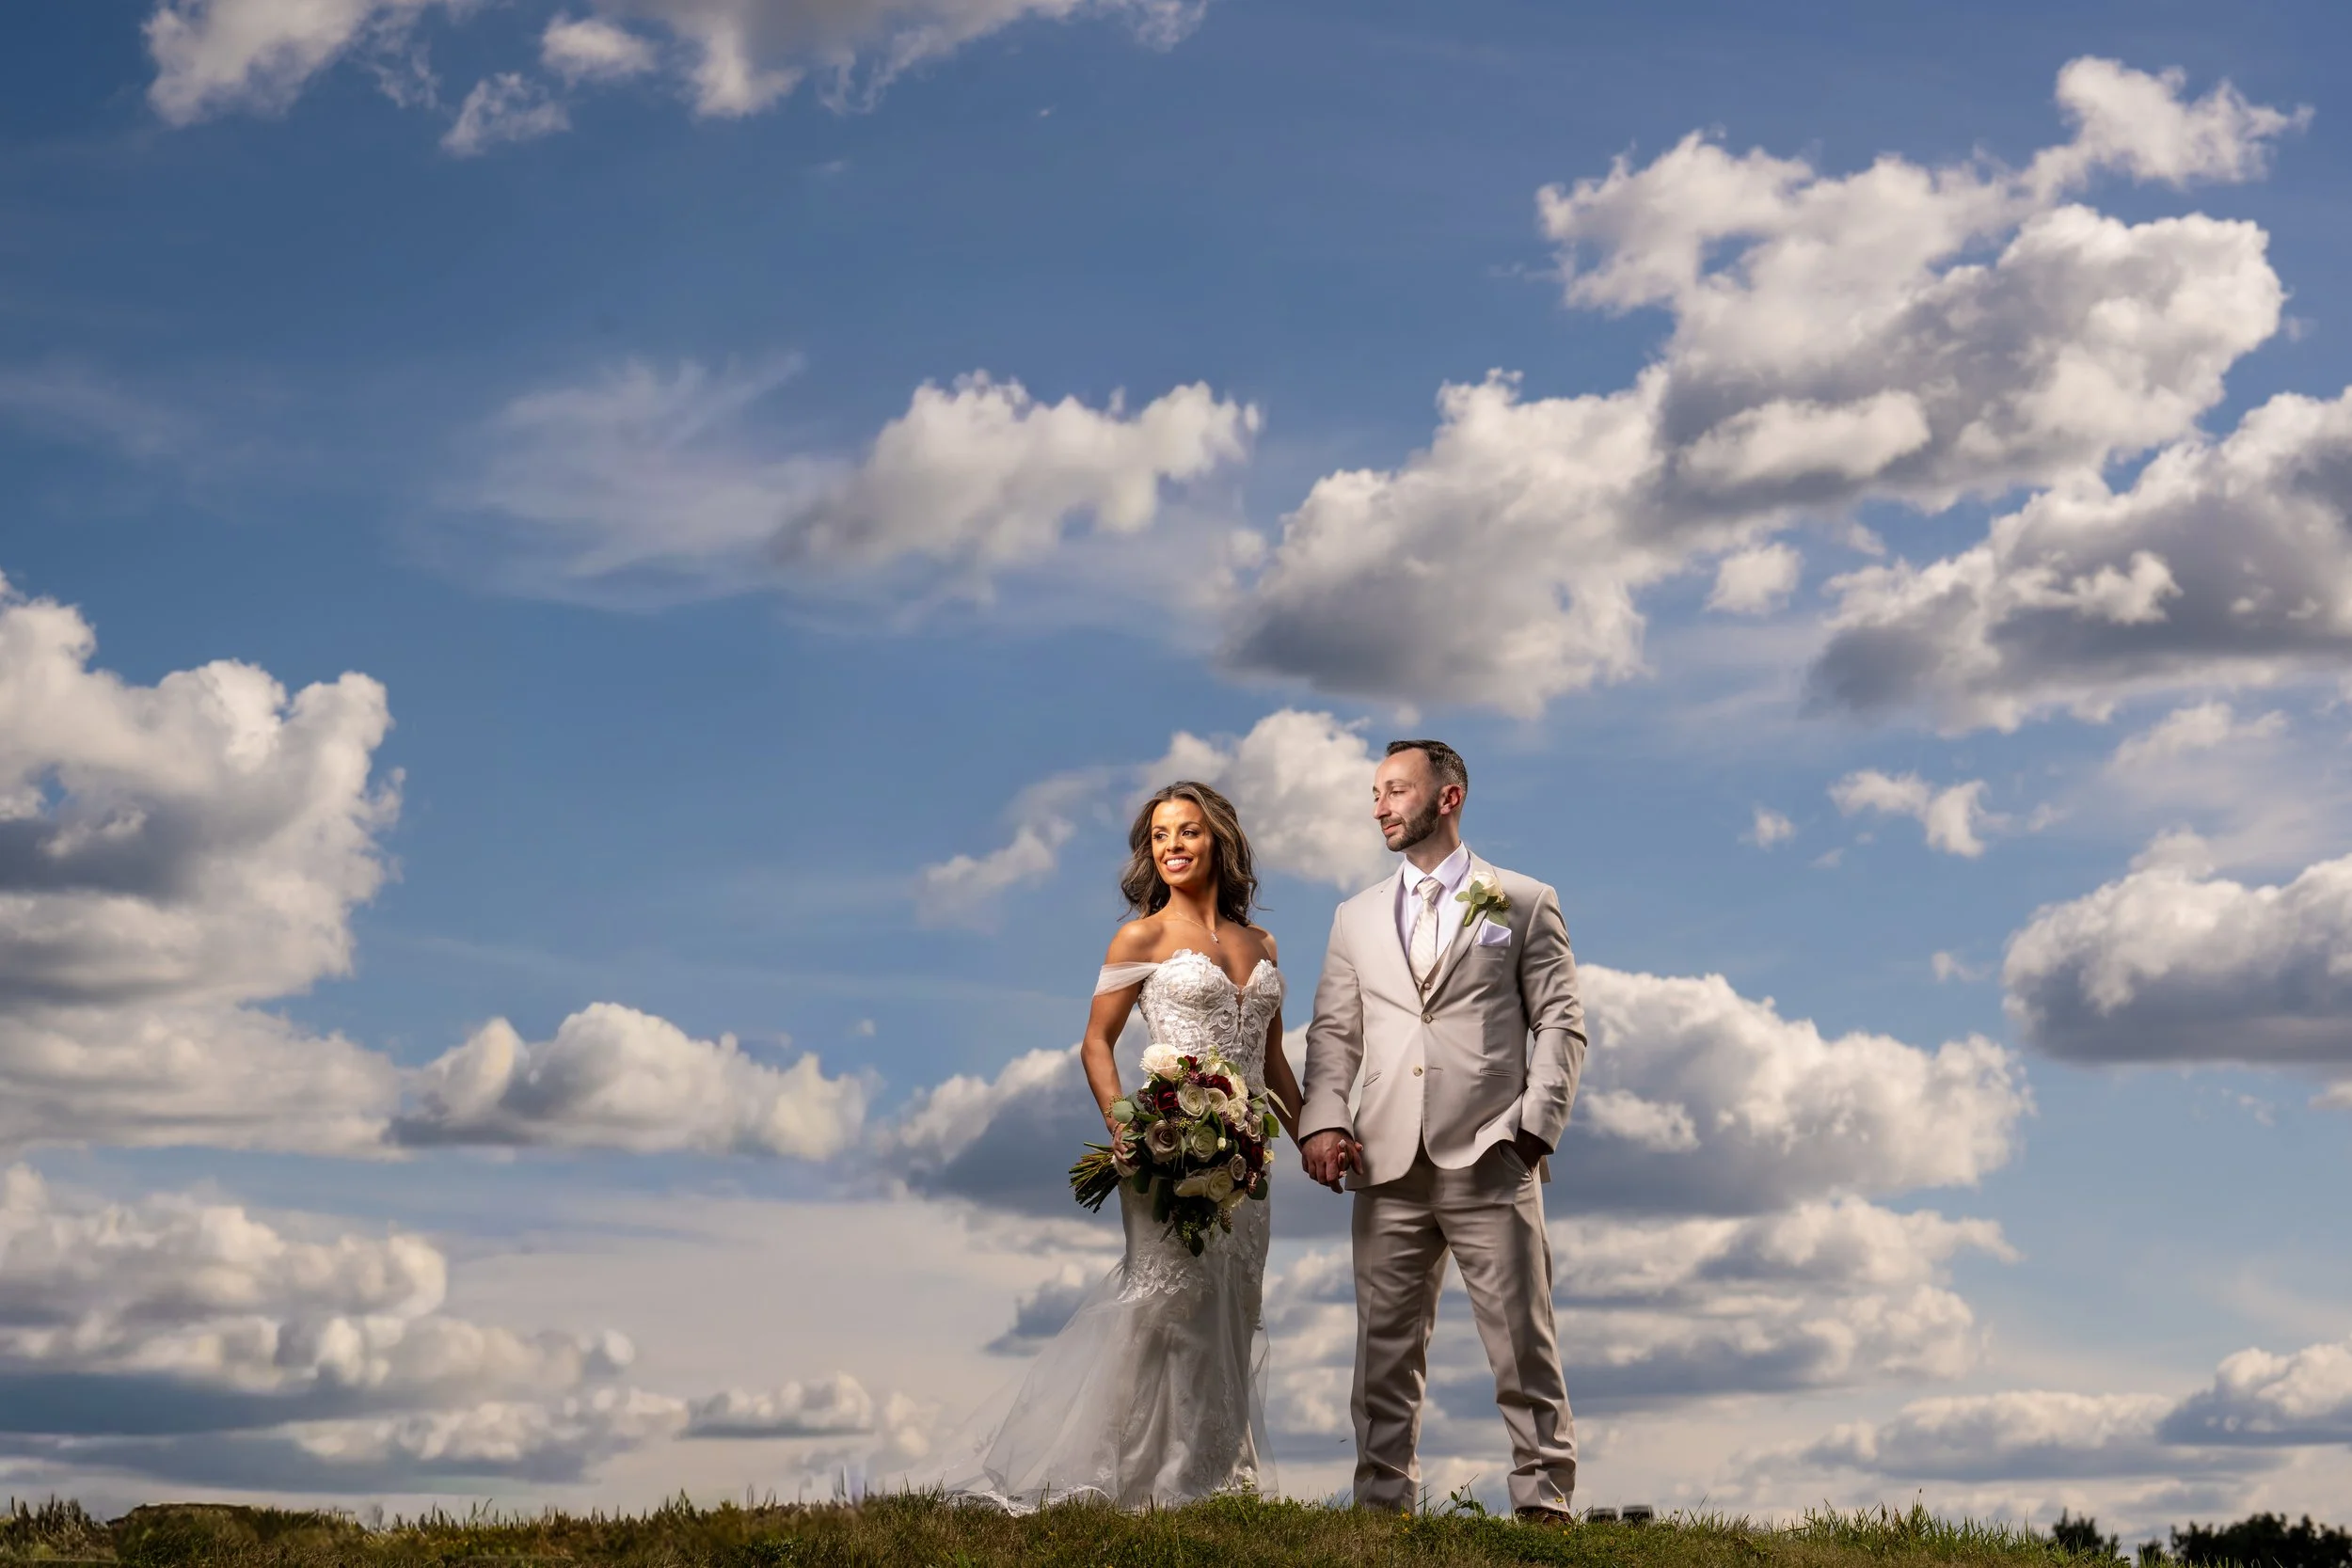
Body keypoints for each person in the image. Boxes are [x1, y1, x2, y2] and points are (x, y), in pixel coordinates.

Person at [929, 780, 1308, 1509]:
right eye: (1160, 835)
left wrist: (1314, 1133)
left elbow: (1274, 1061)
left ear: (1219, 840)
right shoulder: (1140, 937)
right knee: (1170, 1307)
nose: (1172, 846)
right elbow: (1095, 1045)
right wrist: (1130, 1131)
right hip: (1168, 1153)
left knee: (1233, 1305)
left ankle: (1220, 1472)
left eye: (1187, 832)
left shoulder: (1262, 944)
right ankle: (1156, 1481)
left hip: (1247, 1162)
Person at [1296, 738, 1585, 1520]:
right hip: (1384, 1157)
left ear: (1447, 797)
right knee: (1383, 1353)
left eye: (1395, 789)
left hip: (1493, 1154)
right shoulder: (1353, 916)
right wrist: (1322, 1121)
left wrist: (1535, 1125)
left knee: (1523, 1344)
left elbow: (1561, 1021)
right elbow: (1333, 1034)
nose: (1380, 804)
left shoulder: (1523, 899)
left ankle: (1543, 1505)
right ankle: (1382, 1508)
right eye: (1376, 791)